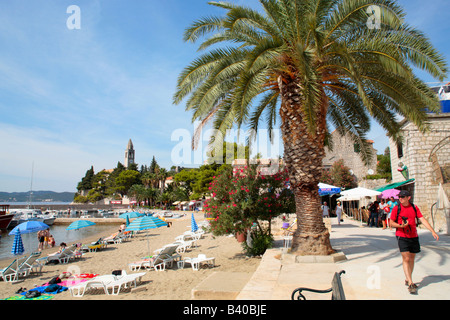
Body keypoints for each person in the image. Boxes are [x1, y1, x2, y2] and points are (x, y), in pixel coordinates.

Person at [390, 190, 439, 295]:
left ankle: (408, 278)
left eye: (403, 197)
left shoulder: (414, 207)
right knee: (406, 258)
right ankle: (411, 283)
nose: (400, 199)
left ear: (409, 197)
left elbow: (422, 219)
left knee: (412, 258)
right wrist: (401, 226)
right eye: (399, 197)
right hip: (401, 236)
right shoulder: (396, 208)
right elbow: (391, 222)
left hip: (413, 236)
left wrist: (432, 231)